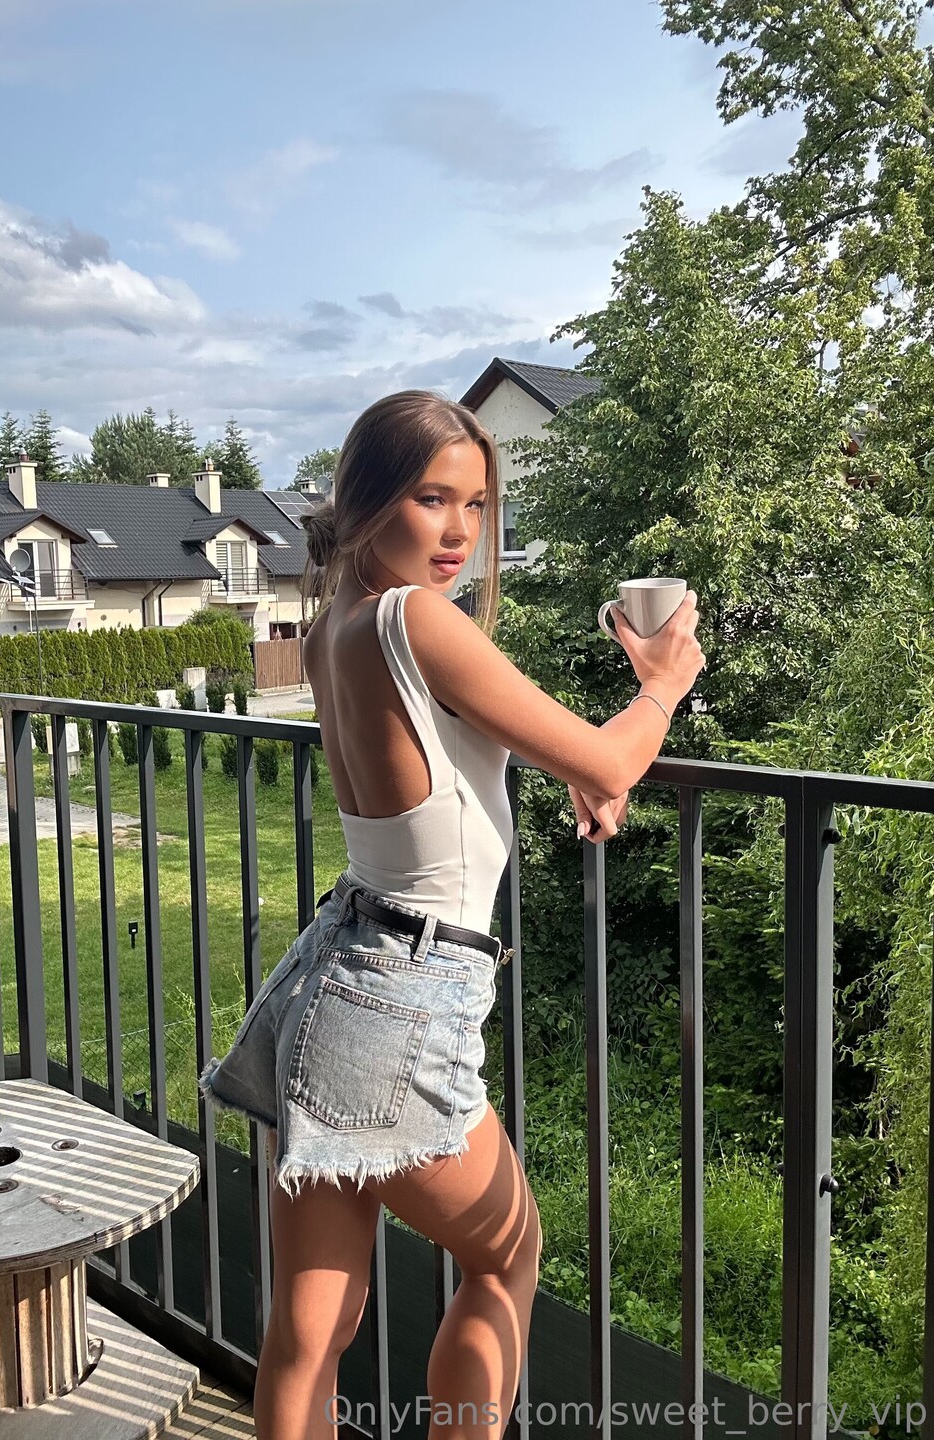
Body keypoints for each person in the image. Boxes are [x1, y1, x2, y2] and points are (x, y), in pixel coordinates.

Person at [200, 389, 704, 1439]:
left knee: (310, 1328)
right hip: (401, 997)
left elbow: (452, 755)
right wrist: (661, 685)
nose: (460, 531)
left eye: (476, 505)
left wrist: (572, 770)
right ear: (369, 496)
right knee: (507, 1254)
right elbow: (613, 755)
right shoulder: (418, 618)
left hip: (334, 973)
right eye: (433, 498)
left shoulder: (337, 623)